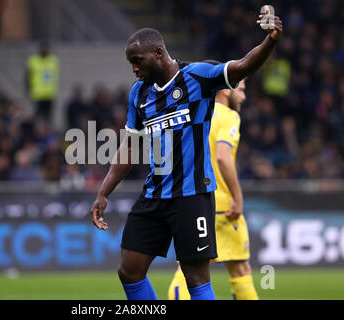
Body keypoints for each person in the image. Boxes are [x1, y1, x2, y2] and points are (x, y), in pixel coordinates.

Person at [91, 8, 282, 300]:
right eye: (130, 63)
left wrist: (270, 40)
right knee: (129, 271)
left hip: (192, 196)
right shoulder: (138, 95)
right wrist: (104, 192)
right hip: (154, 196)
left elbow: (243, 66)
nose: (134, 69)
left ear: (158, 53)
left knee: (195, 277)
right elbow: (129, 146)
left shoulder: (199, 76)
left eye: (137, 61)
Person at [168, 79, 259, 300]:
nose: (244, 97)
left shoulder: (194, 114)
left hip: (192, 202)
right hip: (222, 206)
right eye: (242, 90)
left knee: (188, 268)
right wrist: (237, 197)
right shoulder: (229, 116)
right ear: (227, 90)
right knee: (240, 269)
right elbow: (222, 156)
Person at [26, 42, 60, 120]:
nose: (45, 51)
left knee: (48, 118)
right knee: (37, 117)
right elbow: (28, 76)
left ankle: (47, 131)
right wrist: (28, 90)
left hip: (49, 94)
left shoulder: (53, 60)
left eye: (47, 49)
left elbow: (55, 76)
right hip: (37, 94)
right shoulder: (33, 61)